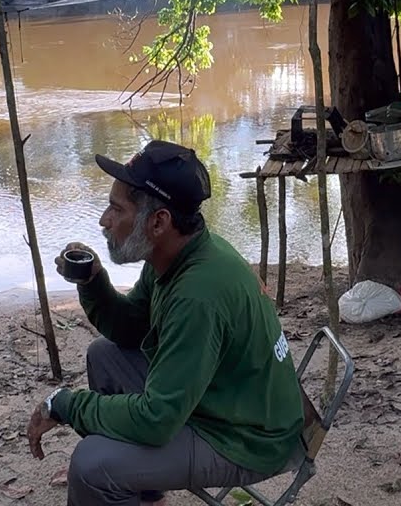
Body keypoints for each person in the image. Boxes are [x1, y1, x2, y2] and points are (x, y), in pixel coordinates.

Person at [26, 140, 305, 506]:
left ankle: (122, 480)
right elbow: (129, 328)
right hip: (225, 399)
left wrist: (65, 404)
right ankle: (147, 494)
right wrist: (93, 281)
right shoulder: (177, 254)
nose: (104, 220)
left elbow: (156, 419)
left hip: (247, 437)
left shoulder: (196, 296)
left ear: (158, 222)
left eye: (116, 208)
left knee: (92, 466)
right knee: (105, 355)